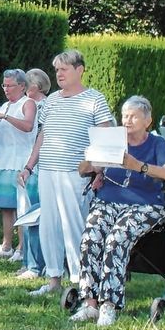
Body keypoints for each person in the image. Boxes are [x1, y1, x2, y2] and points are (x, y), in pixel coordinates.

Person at [71, 96, 165, 327]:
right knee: (91, 237)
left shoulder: (156, 144)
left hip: (145, 204)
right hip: (108, 200)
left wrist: (137, 166)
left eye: (133, 116)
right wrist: (93, 162)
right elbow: (82, 170)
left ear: (147, 120)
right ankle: (90, 303)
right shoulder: (113, 139)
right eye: (124, 115)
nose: (127, 120)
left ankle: (108, 305)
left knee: (116, 238)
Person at [19, 50, 114, 297]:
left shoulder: (95, 99)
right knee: (49, 226)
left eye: (64, 69)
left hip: (76, 174)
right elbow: (43, 135)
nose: (59, 74)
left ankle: (80, 281)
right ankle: (53, 279)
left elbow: (105, 136)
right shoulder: (50, 101)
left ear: (79, 70)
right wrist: (30, 166)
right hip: (47, 172)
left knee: (75, 227)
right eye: (57, 69)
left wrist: (100, 170)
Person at [0, 69, 38, 258]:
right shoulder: (5, 105)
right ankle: (6, 245)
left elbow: (28, 126)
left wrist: (5, 117)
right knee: (6, 206)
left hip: (20, 161)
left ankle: (22, 248)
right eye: (4, 85)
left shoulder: (28, 103)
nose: (6, 89)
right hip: (2, 161)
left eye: (10, 86)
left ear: (22, 86)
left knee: (21, 206)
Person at [10, 68, 51, 278]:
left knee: (34, 214)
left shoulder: (44, 106)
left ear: (34, 87)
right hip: (32, 164)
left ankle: (35, 264)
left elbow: (38, 137)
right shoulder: (33, 105)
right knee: (28, 213)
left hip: (41, 165)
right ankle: (30, 262)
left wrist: (29, 166)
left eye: (26, 84)